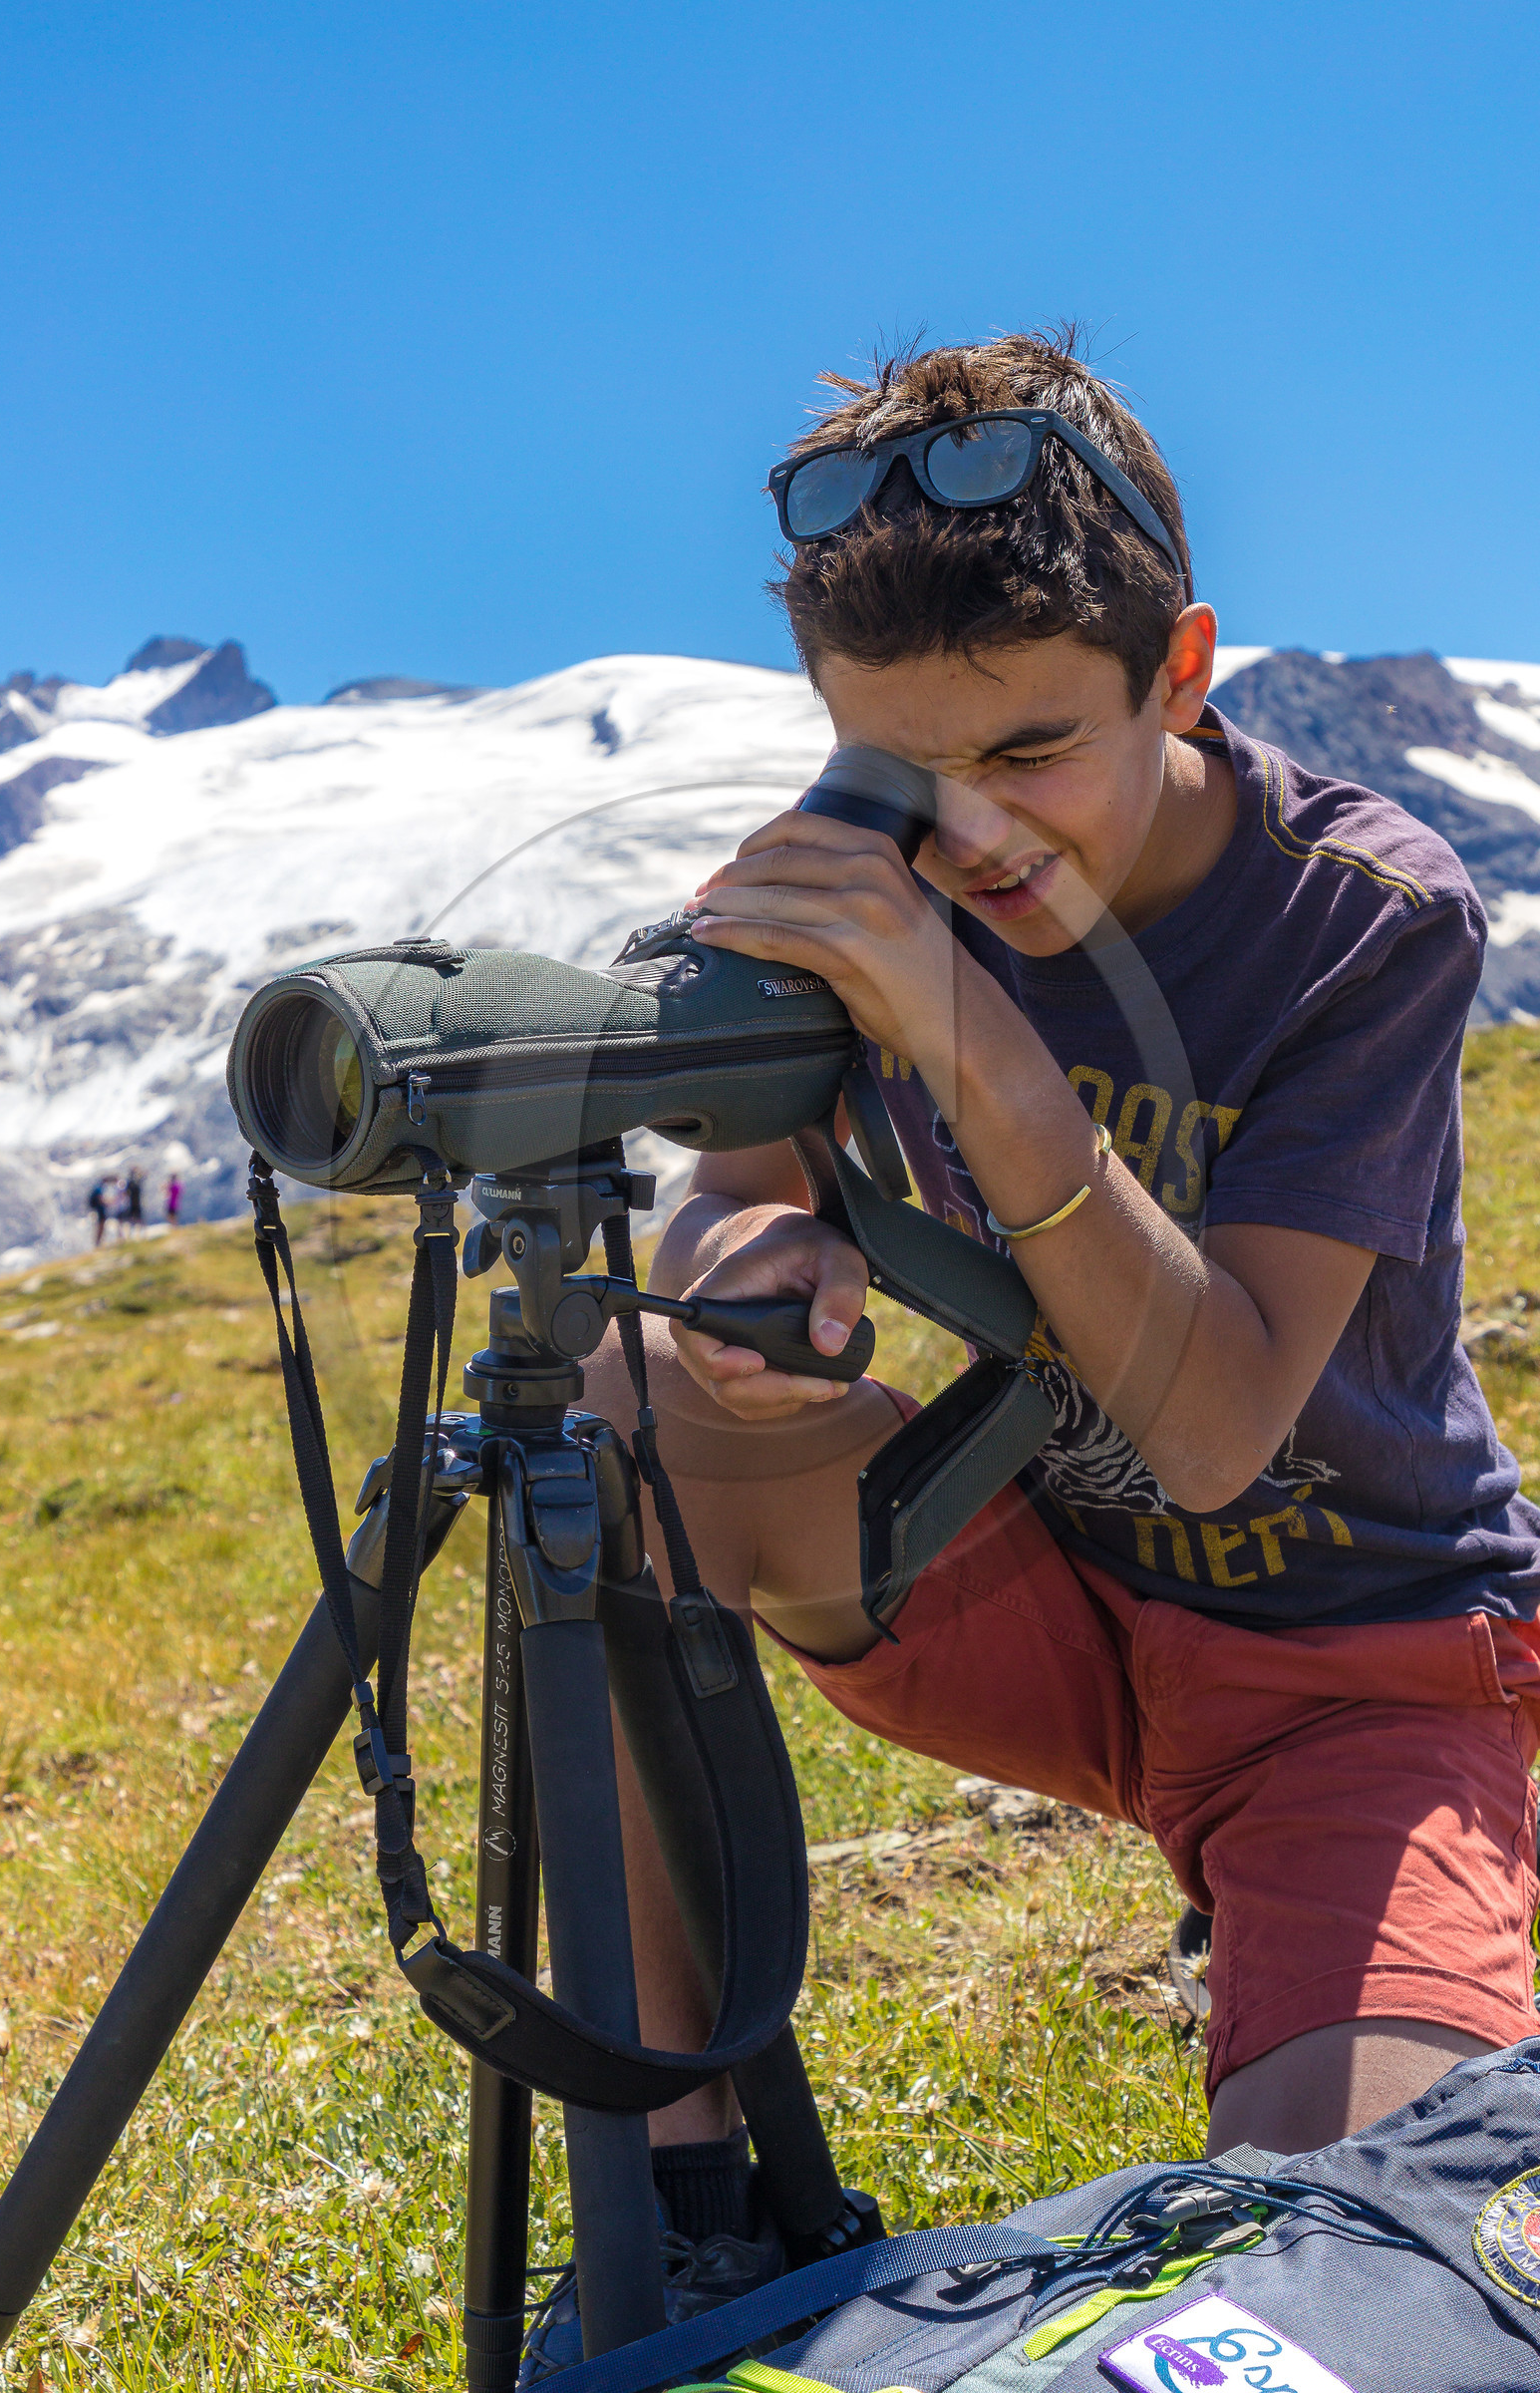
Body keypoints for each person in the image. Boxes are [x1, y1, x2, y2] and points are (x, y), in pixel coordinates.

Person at [573, 332, 1540, 2272]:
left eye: (1029, 753)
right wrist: (750, 1289)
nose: (974, 833)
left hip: (1358, 1659)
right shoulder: (869, 877)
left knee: (1360, 2256)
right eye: (901, 766)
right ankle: (686, 2196)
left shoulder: (1359, 913)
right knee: (617, 1406)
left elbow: (1206, 1431)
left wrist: (963, 1043)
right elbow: (721, 1222)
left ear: (1176, 675)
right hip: (1050, 1586)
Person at [87, 1176, 113, 1247]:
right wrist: (109, 1202)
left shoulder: (97, 1188)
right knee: (101, 1226)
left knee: (100, 1226)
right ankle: (98, 1243)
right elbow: (101, 1199)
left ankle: (98, 1242)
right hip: (100, 1211)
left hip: (98, 1210)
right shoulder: (99, 1189)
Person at [123, 1168, 145, 1236]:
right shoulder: (134, 1182)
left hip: (134, 1203)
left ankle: (138, 1234)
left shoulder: (132, 1182)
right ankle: (134, 1234)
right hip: (134, 1203)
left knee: (135, 1219)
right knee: (134, 1219)